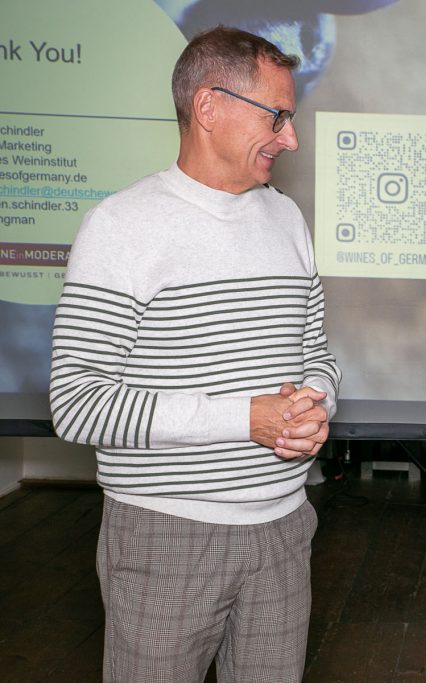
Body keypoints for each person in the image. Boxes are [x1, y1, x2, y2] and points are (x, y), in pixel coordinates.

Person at [48, 27, 341, 682]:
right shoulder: (122, 227)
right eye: (279, 116)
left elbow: (317, 352)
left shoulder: (287, 219)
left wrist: (316, 403)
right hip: (164, 538)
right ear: (209, 107)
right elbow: (76, 404)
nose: (290, 138)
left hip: (285, 532)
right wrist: (247, 418)